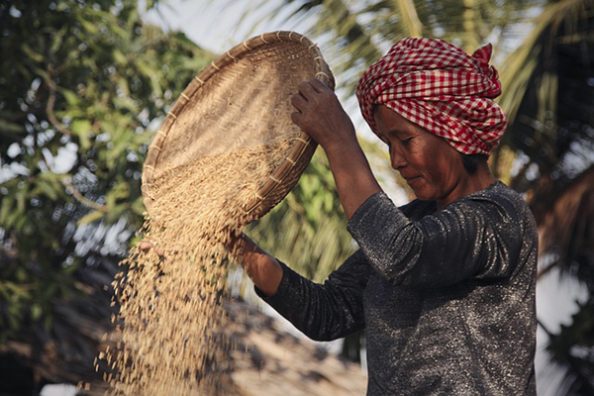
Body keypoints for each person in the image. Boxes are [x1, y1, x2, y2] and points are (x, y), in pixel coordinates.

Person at [232, 37, 537, 395]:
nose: (396, 160)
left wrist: (339, 139)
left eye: (405, 140)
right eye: (389, 144)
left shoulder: (500, 217)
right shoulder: (409, 224)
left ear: (451, 129)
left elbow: (404, 255)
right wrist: (235, 245)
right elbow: (328, 312)